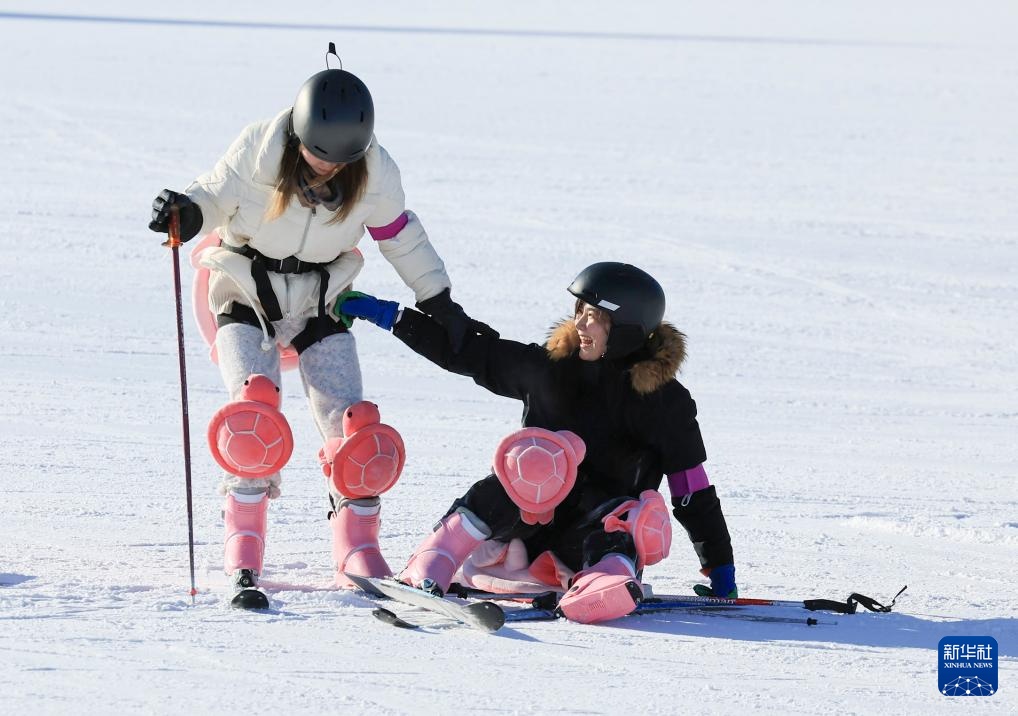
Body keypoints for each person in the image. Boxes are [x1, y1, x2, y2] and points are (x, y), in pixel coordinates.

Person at [147, 47, 495, 601]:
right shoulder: (260, 148)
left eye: (340, 158)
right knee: (252, 413)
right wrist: (186, 213)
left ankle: (355, 545)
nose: (327, 165)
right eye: (316, 153)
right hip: (245, 288)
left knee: (355, 425)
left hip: (319, 298)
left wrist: (438, 298)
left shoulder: (375, 170)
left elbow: (399, 234)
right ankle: (244, 542)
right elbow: (213, 194)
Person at [337, 262, 737, 623]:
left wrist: (720, 566)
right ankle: (432, 562)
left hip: (589, 539)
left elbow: (693, 491)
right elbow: (471, 353)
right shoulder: (549, 370)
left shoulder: (665, 402)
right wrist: (391, 316)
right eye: (579, 311)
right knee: (519, 474)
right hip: (524, 529)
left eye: (595, 316)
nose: (580, 323)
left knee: (629, 517)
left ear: (626, 328)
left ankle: (605, 584)